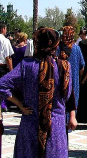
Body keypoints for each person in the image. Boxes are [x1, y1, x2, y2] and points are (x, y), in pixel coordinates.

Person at [0, 28, 77, 157]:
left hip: (30, 124)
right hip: (56, 127)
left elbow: (2, 85)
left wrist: (19, 104)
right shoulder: (64, 66)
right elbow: (68, 95)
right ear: (55, 44)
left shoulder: (27, 65)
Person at [57, 26, 85, 125]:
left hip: (59, 80)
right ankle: (70, 122)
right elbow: (82, 66)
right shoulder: (77, 49)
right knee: (72, 102)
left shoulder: (57, 48)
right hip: (73, 80)